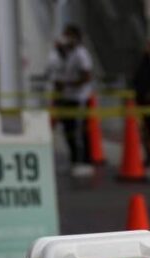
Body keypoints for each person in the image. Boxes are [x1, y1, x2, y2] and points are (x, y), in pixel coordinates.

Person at [54, 25, 94, 177]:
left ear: (75, 37)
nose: (64, 38)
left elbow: (87, 76)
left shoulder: (81, 54)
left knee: (80, 130)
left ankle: (85, 161)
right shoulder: (70, 53)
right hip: (68, 97)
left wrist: (67, 84)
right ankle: (74, 160)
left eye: (67, 35)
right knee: (68, 130)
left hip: (79, 98)